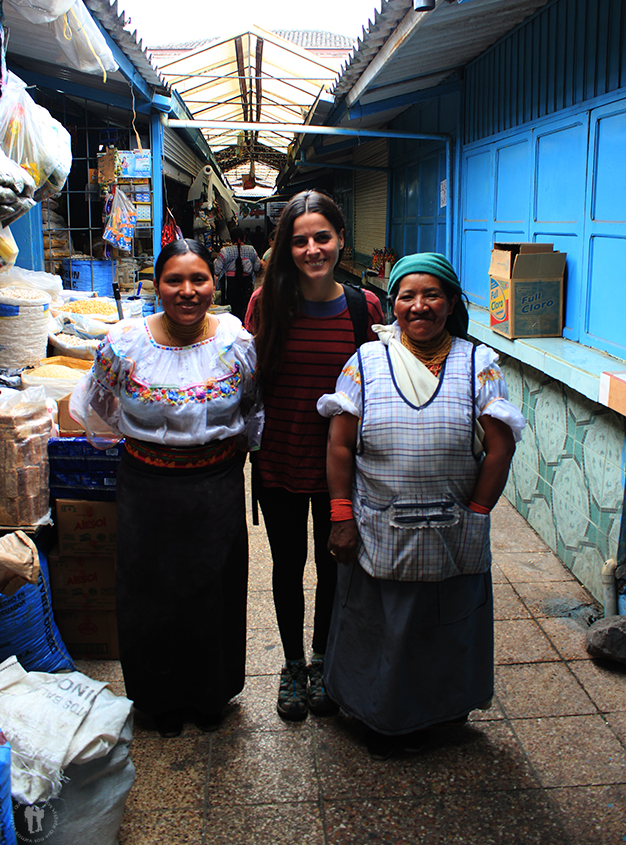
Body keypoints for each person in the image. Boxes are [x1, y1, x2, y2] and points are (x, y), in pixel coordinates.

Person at [317, 252, 525, 759]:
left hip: (453, 524)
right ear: (393, 305)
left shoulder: (479, 365)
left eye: (432, 294)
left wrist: (478, 511)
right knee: (379, 624)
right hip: (378, 526)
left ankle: (441, 709)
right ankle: (380, 715)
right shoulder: (365, 363)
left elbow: (500, 447)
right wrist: (341, 514)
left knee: (446, 620)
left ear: (451, 302)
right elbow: (340, 444)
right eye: (407, 296)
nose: (419, 305)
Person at [70, 239, 262, 738]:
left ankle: (209, 694)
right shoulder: (125, 342)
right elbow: (97, 404)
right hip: (146, 486)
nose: (187, 290)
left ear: (214, 283)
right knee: (149, 592)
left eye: (199, 279)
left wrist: (222, 454)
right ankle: (159, 699)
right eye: (174, 279)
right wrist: (149, 439)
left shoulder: (235, 342)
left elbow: (252, 410)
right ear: (158, 284)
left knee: (211, 589)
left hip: (214, 485)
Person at [245, 189, 384, 722]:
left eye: (321, 237)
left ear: (340, 240)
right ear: (284, 246)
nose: (311, 249)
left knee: (333, 566)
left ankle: (325, 659)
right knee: (287, 565)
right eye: (299, 240)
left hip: (341, 467)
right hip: (279, 458)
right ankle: (292, 664)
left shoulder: (362, 306)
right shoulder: (266, 303)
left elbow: (378, 382)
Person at [214, 226, 262, 320]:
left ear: (231, 239)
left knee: (230, 311)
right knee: (245, 309)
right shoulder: (251, 249)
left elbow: (216, 269)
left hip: (229, 286)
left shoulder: (225, 251)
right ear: (244, 237)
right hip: (246, 284)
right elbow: (257, 267)